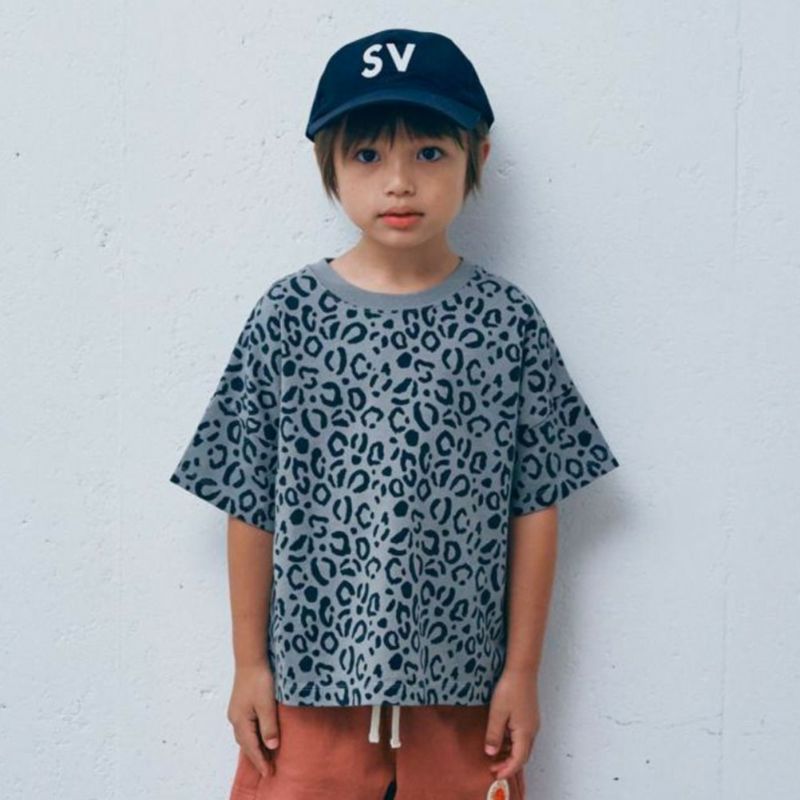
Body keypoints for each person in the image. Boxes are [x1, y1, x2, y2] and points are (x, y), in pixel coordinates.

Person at [169, 27, 620, 800]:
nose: (400, 182)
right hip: (307, 695)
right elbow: (249, 501)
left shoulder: (506, 324)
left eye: (430, 152)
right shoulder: (288, 317)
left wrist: (521, 673)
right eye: (368, 154)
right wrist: (249, 665)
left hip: (462, 698)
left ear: (477, 156)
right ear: (330, 166)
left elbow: (536, 506)